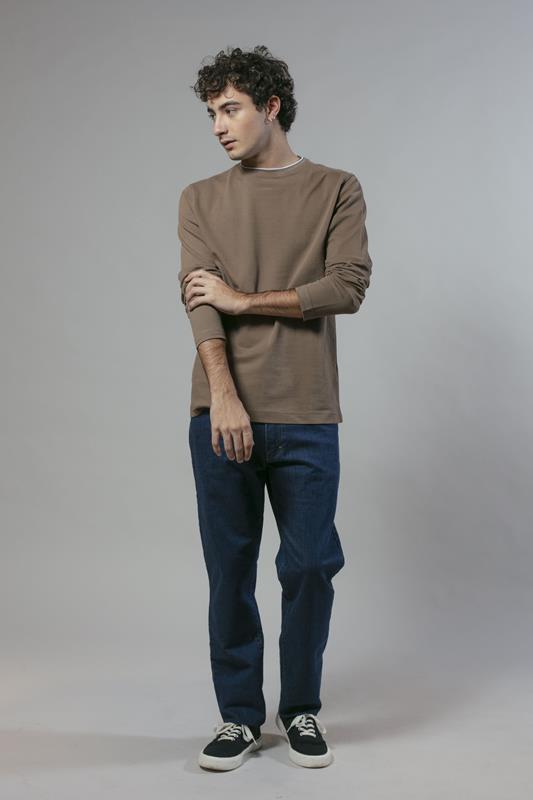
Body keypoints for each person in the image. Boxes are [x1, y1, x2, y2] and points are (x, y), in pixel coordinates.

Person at [177, 45, 373, 771]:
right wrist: (224, 396)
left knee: (311, 565)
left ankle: (300, 709)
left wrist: (244, 299)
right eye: (211, 113)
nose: (218, 126)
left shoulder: (336, 188)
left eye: (230, 109)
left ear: (270, 107)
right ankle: (238, 716)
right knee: (229, 571)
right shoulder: (200, 198)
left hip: (307, 411)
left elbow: (346, 286)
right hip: (221, 412)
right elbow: (200, 303)